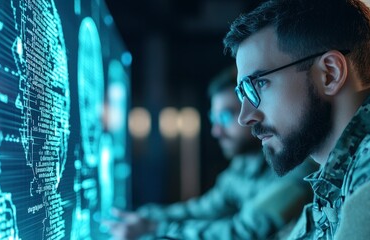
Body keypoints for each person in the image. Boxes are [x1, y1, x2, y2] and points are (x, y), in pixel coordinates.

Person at [223, 0, 370, 239]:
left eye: (259, 84)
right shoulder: (339, 175)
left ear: (330, 74)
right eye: (242, 93)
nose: (245, 117)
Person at [104, 66, 316, 239]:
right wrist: (145, 217)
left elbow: (244, 232)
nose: (216, 131)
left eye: (225, 117)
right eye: (214, 120)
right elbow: (200, 209)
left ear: (252, 110)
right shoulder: (240, 170)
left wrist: (154, 228)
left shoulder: (298, 167)